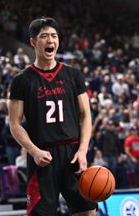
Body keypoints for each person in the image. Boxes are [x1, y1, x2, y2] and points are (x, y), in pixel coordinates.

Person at [8, 17, 97, 216]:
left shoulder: (73, 75)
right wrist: (33, 150)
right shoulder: (21, 80)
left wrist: (82, 151)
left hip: (73, 154)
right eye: (44, 36)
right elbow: (14, 124)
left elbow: (86, 116)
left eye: (54, 36)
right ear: (33, 42)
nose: (50, 40)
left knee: (88, 212)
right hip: (42, 156)